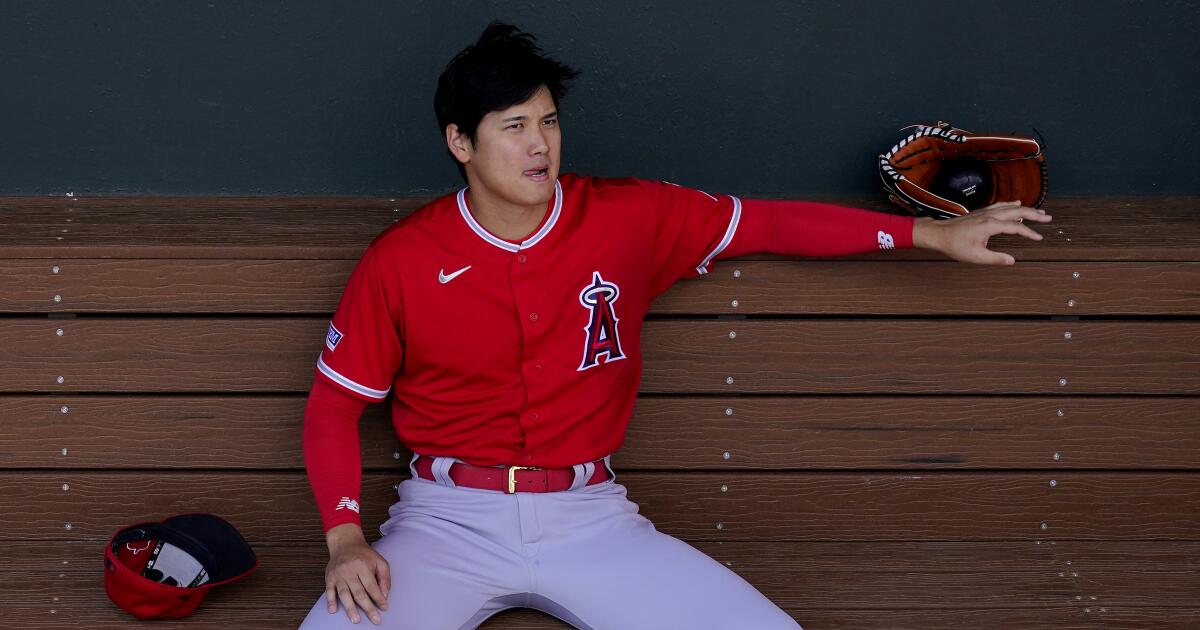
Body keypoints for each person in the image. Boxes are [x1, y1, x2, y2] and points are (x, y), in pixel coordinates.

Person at [297, 22, 1052, 630]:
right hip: (445, 523)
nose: (540, 145)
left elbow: (767, 223)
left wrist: (930, 236)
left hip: (588, 518)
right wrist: (345, 539)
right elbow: (334, 408)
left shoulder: (628, 216)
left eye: (550, 122)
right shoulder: (403, 259)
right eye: (515, 126)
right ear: (461, 142)